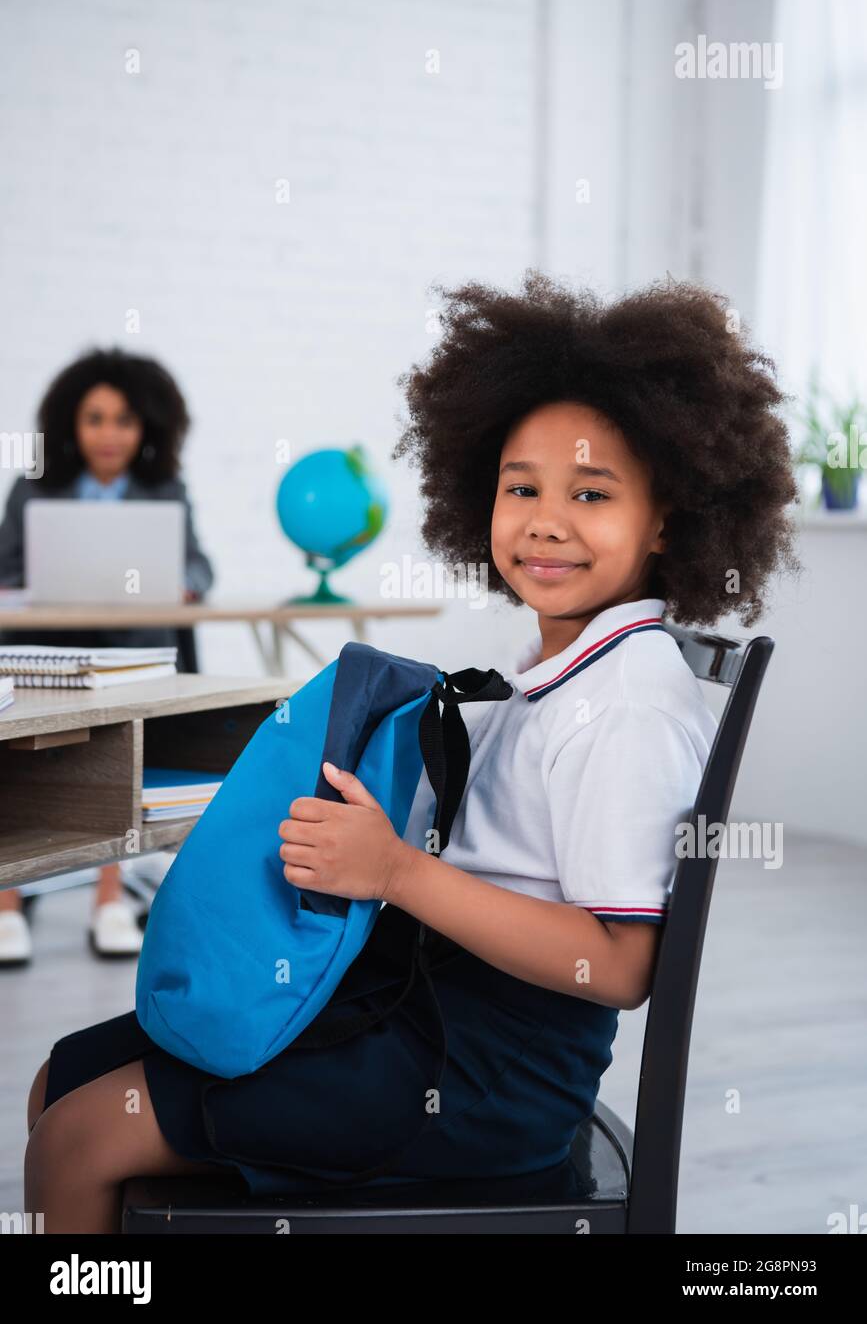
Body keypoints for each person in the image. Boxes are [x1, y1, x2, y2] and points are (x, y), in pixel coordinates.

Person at [23, 272, 799, 1232]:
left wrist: (392, 871)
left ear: (667, 517)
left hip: (482, 1077)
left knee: (79, 1137)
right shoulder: (560, 672)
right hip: (424, 1009)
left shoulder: (629, 702)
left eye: (591, 494)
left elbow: (621, 964)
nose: (546, 520)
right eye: (522, 488)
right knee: (62, 1080)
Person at [0, 348, 214, 964]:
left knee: (126, 754)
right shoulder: (32, 488)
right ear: (72, 423)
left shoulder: (163, 490)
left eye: (124, 419)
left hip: (130, 651)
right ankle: (8, 901)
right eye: (95, 418)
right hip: (47, 650)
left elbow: (198, 562)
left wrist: (186, 583)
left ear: (146, 426)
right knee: (18, 760)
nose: (109, 433)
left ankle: (110, 897)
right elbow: (8, 569)